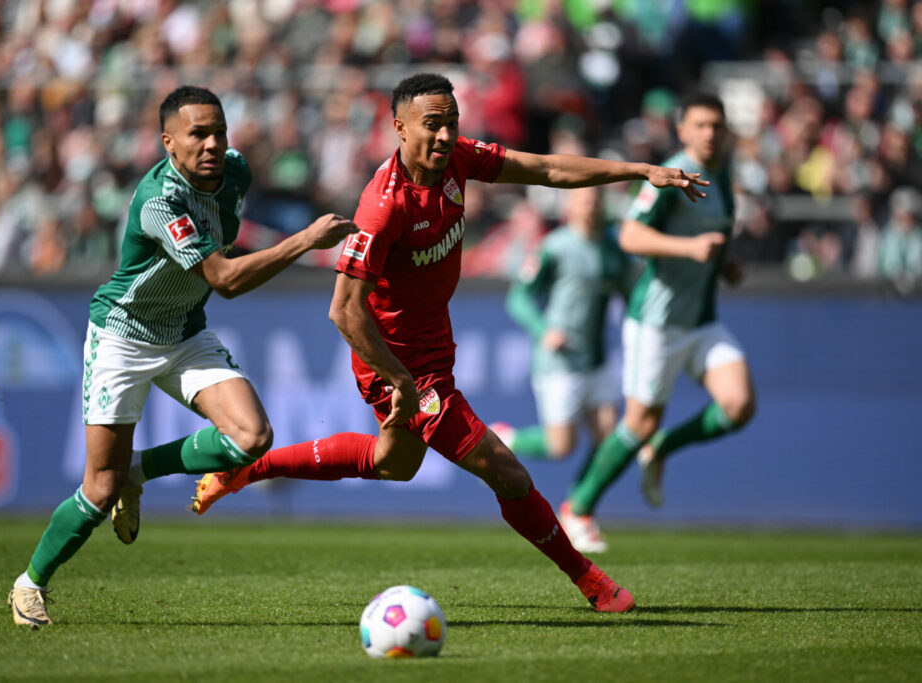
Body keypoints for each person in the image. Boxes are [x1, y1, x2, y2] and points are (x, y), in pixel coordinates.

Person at [189, 73, 709, 613]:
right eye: (431, 125)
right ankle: (593, 582)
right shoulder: (383, 206)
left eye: (451, 123)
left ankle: (248, 469)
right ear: (399, 128)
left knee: (394, 463)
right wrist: (400, 381)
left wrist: (640, 170)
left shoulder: (459, 159)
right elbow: (343, 310)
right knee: (506, 470)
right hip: (398, 363)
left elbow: (548, 169)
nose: (444, 136)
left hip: (434, 347)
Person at [7, 86, 357, 628]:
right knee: (98, 487)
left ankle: (139, 473)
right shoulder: (159, 201)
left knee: (251, 439)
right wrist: (306, 240)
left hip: (184, 331)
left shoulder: (234, 172)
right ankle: (31, 584)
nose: (213, 143)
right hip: (122, 337)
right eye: (198, 134)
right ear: (168, 142)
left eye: (219, 131)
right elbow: (226, 279)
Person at [562, 92, 756, 552]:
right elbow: (629, 235)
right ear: (683, 130)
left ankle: (662, 448)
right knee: (638, 422)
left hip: (701, 319)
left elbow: (712, 239)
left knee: (739, 405)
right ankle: (577, 508)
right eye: (701, 125)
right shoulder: (669, 176)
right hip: (657, 321)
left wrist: (723, 264)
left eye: (717, 126)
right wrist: (689, 250)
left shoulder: (723, 175)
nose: (710, 134)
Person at [491, 186, 632, 553]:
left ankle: (578, 513)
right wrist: (543, 331)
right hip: (560, 362)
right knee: (561, 446)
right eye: (583, 200)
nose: (590, 207)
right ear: (570, 206)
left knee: (607, 437)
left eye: (595, 201)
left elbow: (631, 292)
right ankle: (508, 441)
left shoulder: (613, 247)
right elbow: (518, 296)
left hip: (597, 359)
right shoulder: (555, 246)